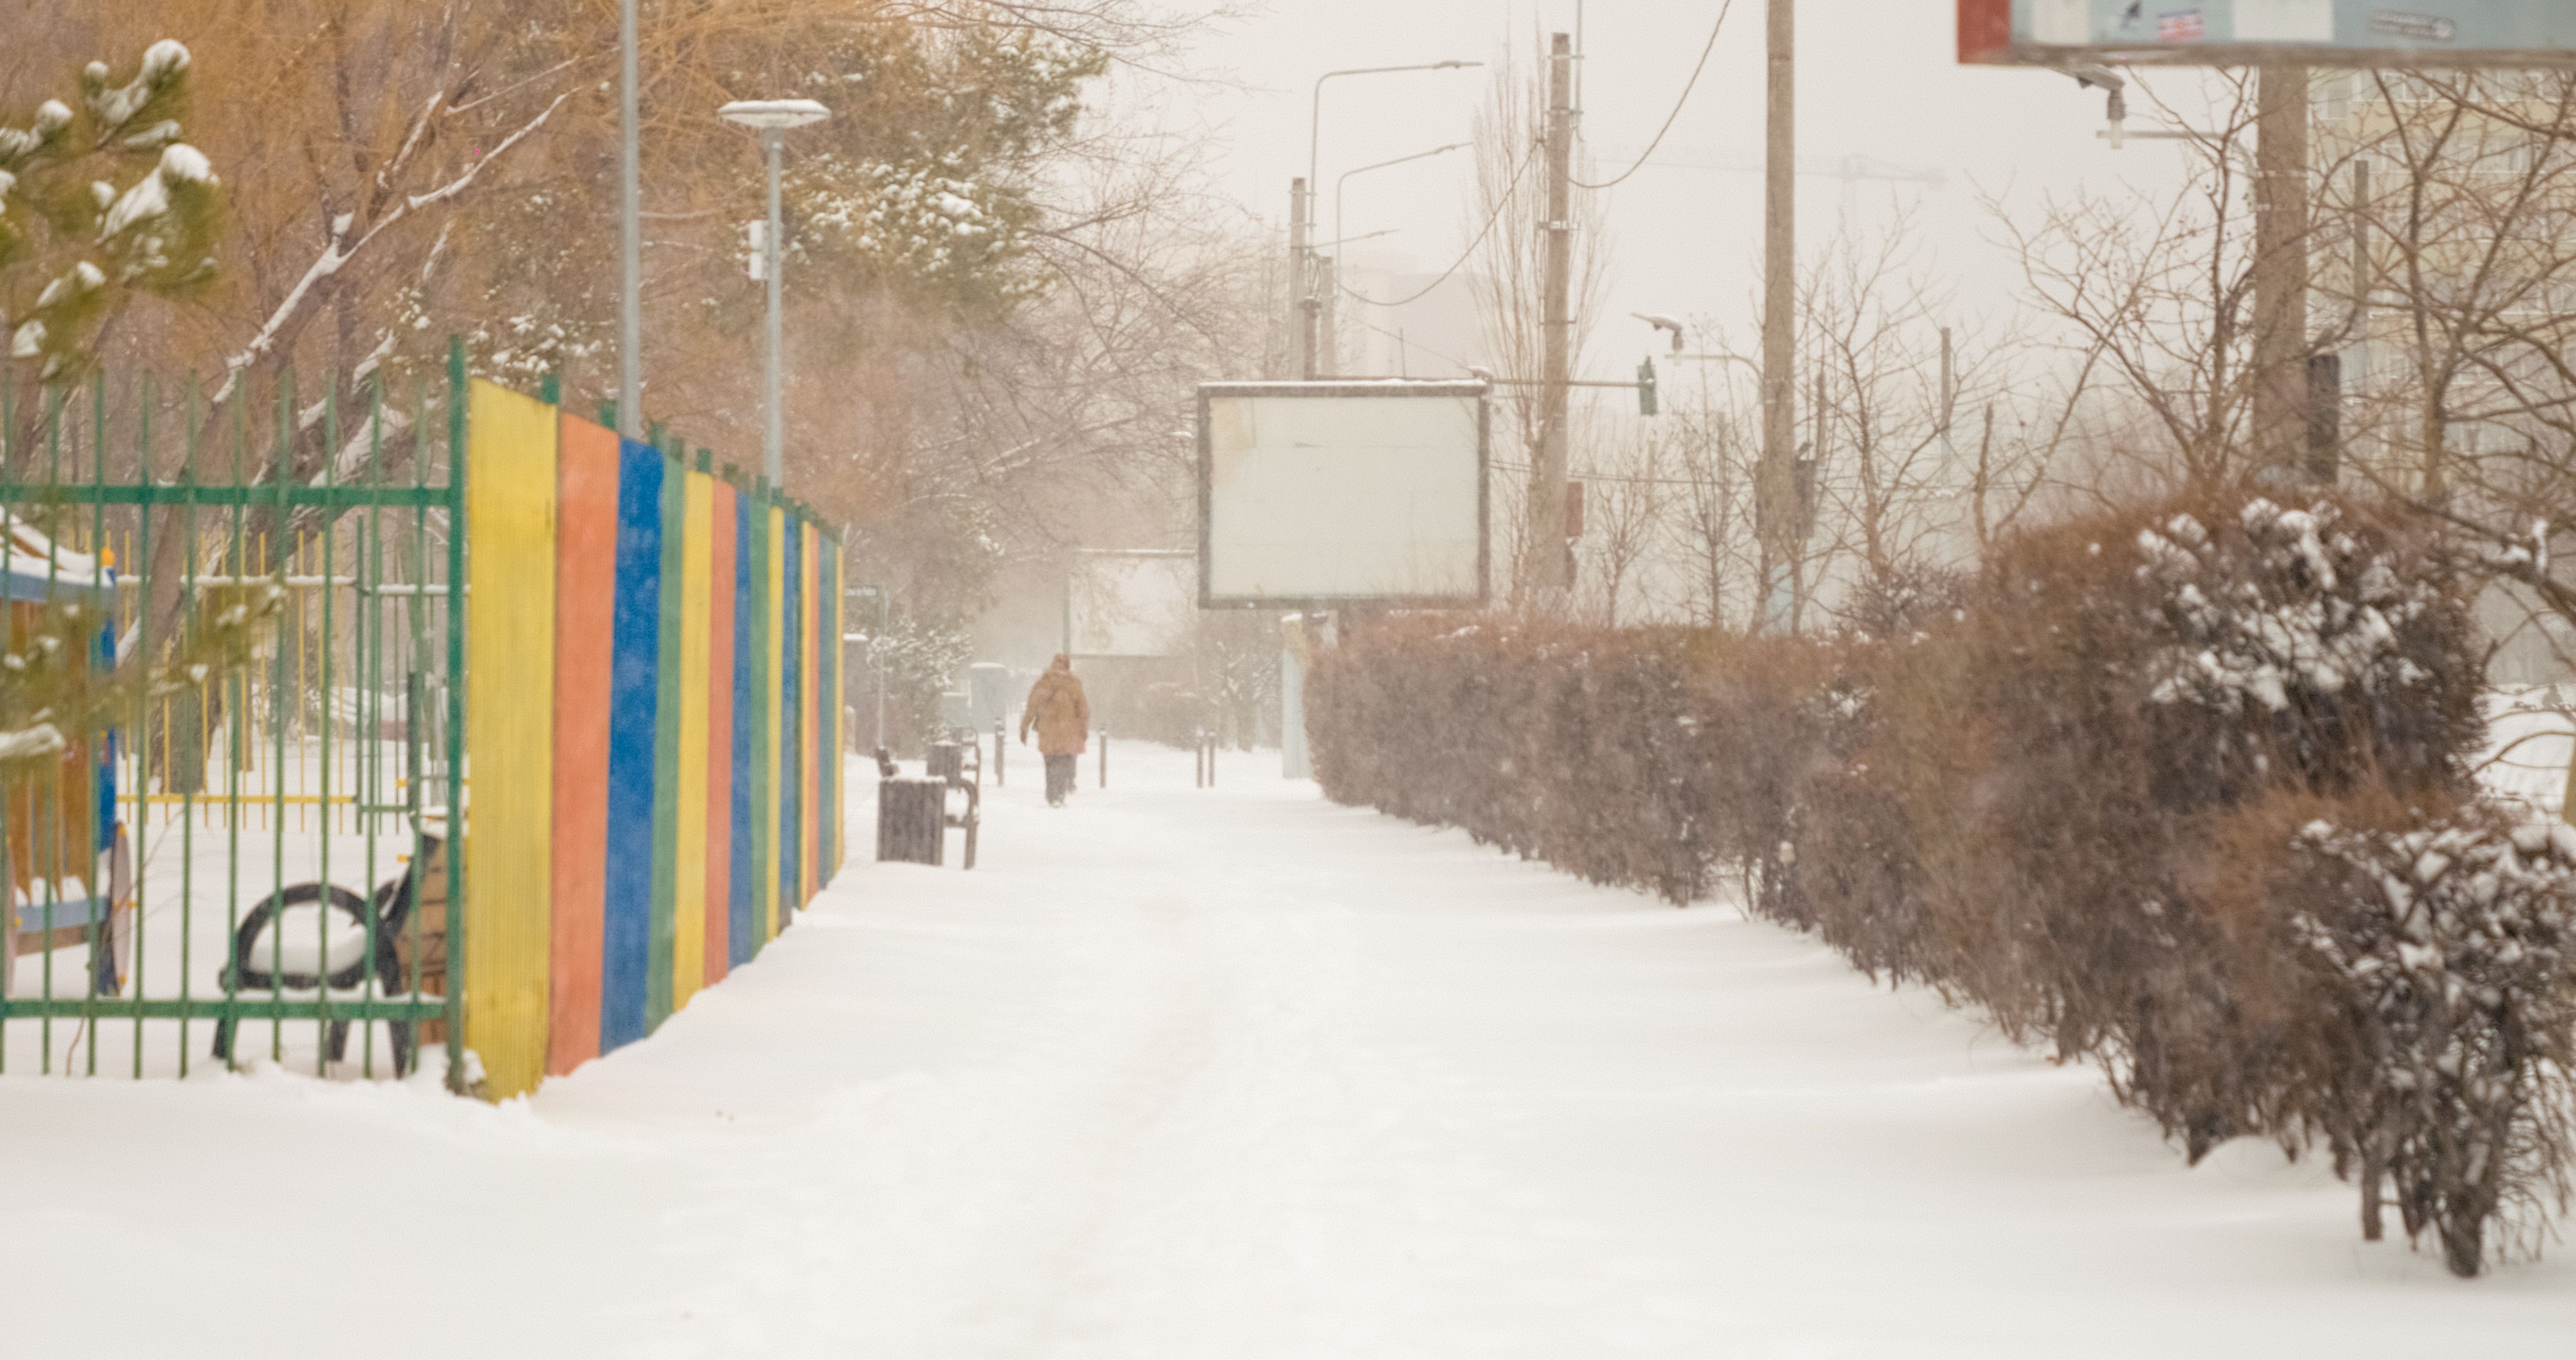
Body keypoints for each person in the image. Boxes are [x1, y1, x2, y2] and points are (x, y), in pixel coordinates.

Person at [1020, 654, 1090, 807]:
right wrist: (1083, 730)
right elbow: (1083, 710)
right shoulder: (1073, 684)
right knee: (1064, 764)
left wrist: (1024, 727)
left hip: (1048, 731)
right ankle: (1060, 795)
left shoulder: (1044, 683)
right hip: (1067, 731)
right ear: (1067, 666)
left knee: (1050, 763)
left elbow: (1032, 707)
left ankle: (1052, 795)